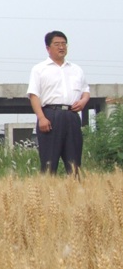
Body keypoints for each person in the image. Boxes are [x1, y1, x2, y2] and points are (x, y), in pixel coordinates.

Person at [27, 30, 90, 175]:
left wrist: (83, 101)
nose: (61, 47)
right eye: (57, 44)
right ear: (48, 48)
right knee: (49, 163)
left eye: (64, 44)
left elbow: (85, 90)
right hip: (50, 115)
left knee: (74, 164)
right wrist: (41, 118)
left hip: (72, 115)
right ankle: (47, 188)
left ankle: (74, 188)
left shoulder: (76, 69)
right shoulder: (39, 69)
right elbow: (34, 95)